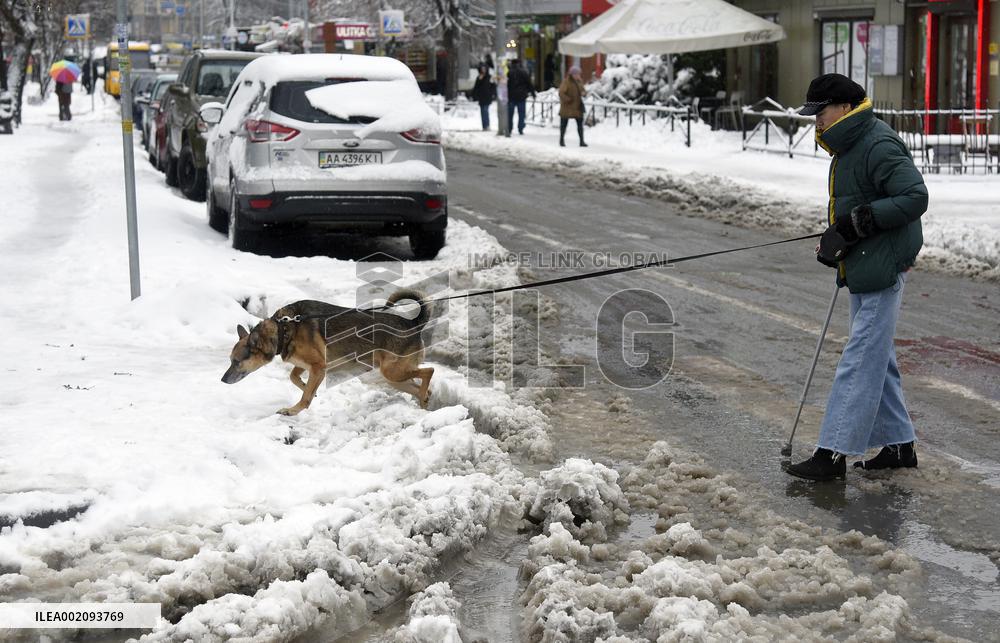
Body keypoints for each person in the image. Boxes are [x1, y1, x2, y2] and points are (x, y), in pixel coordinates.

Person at [784, 73, 927, 482]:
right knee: (876, 355)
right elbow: (858, 205)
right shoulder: (850, 144)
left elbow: (915, 196)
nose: (816, 120)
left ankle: (833, 452)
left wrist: (857, 223)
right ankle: (898, 444)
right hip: (865, 259)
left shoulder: (876, 143)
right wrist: (839, 237)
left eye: (821, 111)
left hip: (883, 263)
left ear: (845, 108)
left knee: (861, 357)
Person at [558, 65, 587, 147]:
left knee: (580, 125)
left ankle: (582, 141)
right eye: (577, 74)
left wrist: (584, 93)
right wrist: (567, 99)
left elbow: (583, 90)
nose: (578, 75)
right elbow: (561, 93)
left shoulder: (579, 82)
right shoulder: (566, 82)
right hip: (567, 107)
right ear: (572, 74)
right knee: (564, 124)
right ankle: (561, 140)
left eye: (579, 74)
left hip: (577, 107)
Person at [505, 59, 535, 137]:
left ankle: (510, 128)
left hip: (511, 96)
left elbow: (506, 85)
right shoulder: (523, 72)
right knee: (521, 113)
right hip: (521, 96)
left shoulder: (509, 73)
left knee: (510, 114)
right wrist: (533, 93)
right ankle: (520, 128)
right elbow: (529, 83)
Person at [469, 65, 496, 131]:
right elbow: (476, 87)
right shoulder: (479, 77)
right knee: (482, 111)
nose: (483, 70)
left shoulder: (489, 77)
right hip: (481, 97)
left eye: (484, 69)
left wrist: (492, 94)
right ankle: (484, 126)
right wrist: (473, 95)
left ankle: (487, 125)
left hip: (487, 96)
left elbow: (493, 86)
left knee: (485, 110)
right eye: (482, 69)